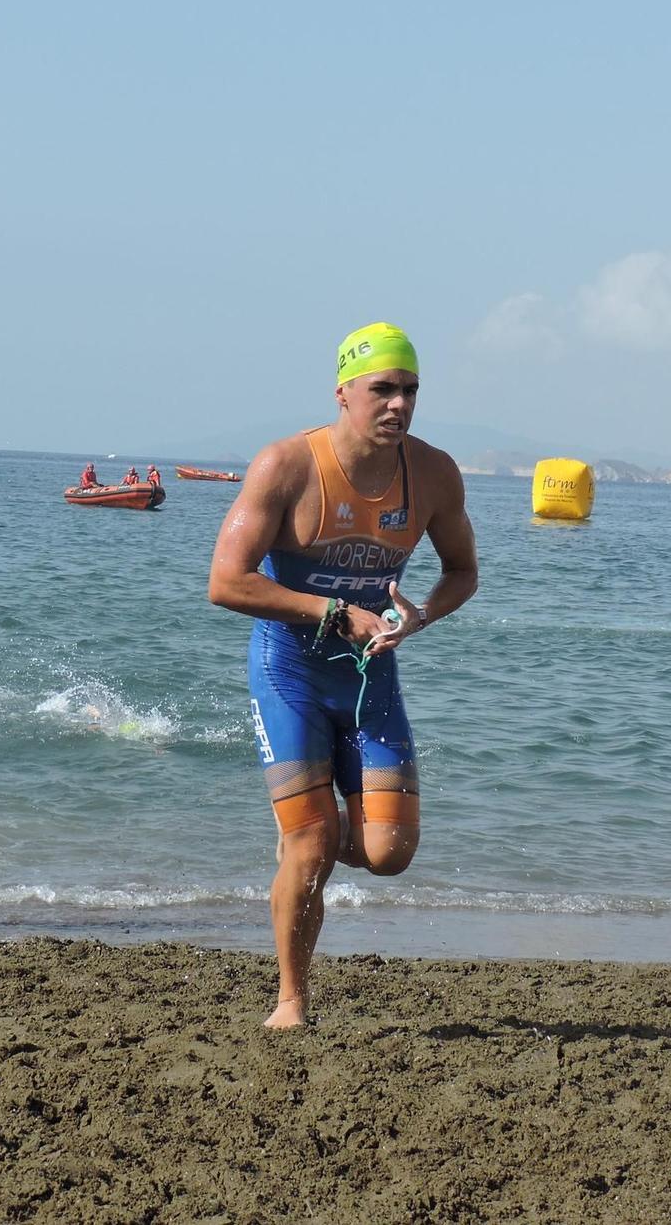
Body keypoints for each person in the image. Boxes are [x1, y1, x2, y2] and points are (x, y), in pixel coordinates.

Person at [208, 321, 478, 1028]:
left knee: (386, 854)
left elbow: (462, 572)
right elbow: (226, 583)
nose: (398, 404)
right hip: (290, 669)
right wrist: (333, 611)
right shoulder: (287, 467)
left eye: (410, 390)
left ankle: (311, 833)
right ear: (343, 394)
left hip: (369, 675)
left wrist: (418, 618)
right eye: (382, 389)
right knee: (313, 843)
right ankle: (291, 1001)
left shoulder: (435, 474)